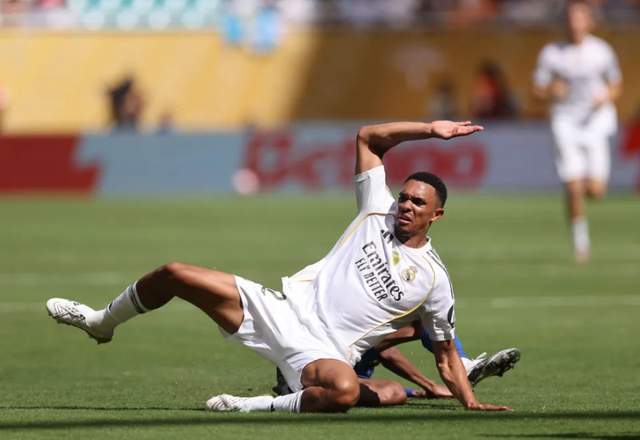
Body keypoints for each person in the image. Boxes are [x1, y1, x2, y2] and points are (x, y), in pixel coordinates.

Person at [46, 120, 510, 413]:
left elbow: (445, 354)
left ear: (437, 215)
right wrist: (431, 129)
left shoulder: (434, 279)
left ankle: (252, 405)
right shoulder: (376, 209)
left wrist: (470, 402)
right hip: (281, 310)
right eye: (404, 196)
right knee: (175, 273)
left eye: (417, 203)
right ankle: (102, 322)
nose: (405, 205)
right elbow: (368, 137)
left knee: (348, 391)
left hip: (324, 353)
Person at [533, 0, 622, 263]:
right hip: (565, 122)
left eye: (580, 18)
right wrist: (551, 91)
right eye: (571, 18)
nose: (575, 24)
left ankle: (578, 190)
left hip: (595, 122)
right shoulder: (552, 53)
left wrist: (605, 96)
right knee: (573, 186)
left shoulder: (601, 51)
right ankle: (581, 243)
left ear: (589, 22)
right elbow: (537, 89)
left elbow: (616, 84)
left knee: (596, 190)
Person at [272, 324, 521, 404]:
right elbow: (387, 353)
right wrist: (430, 385)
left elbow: (382, 351)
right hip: (320, 369)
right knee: (395, 391)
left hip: (343, 371)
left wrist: (423, 390)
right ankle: (464, 368)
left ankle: (463, 367)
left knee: (395, 391)